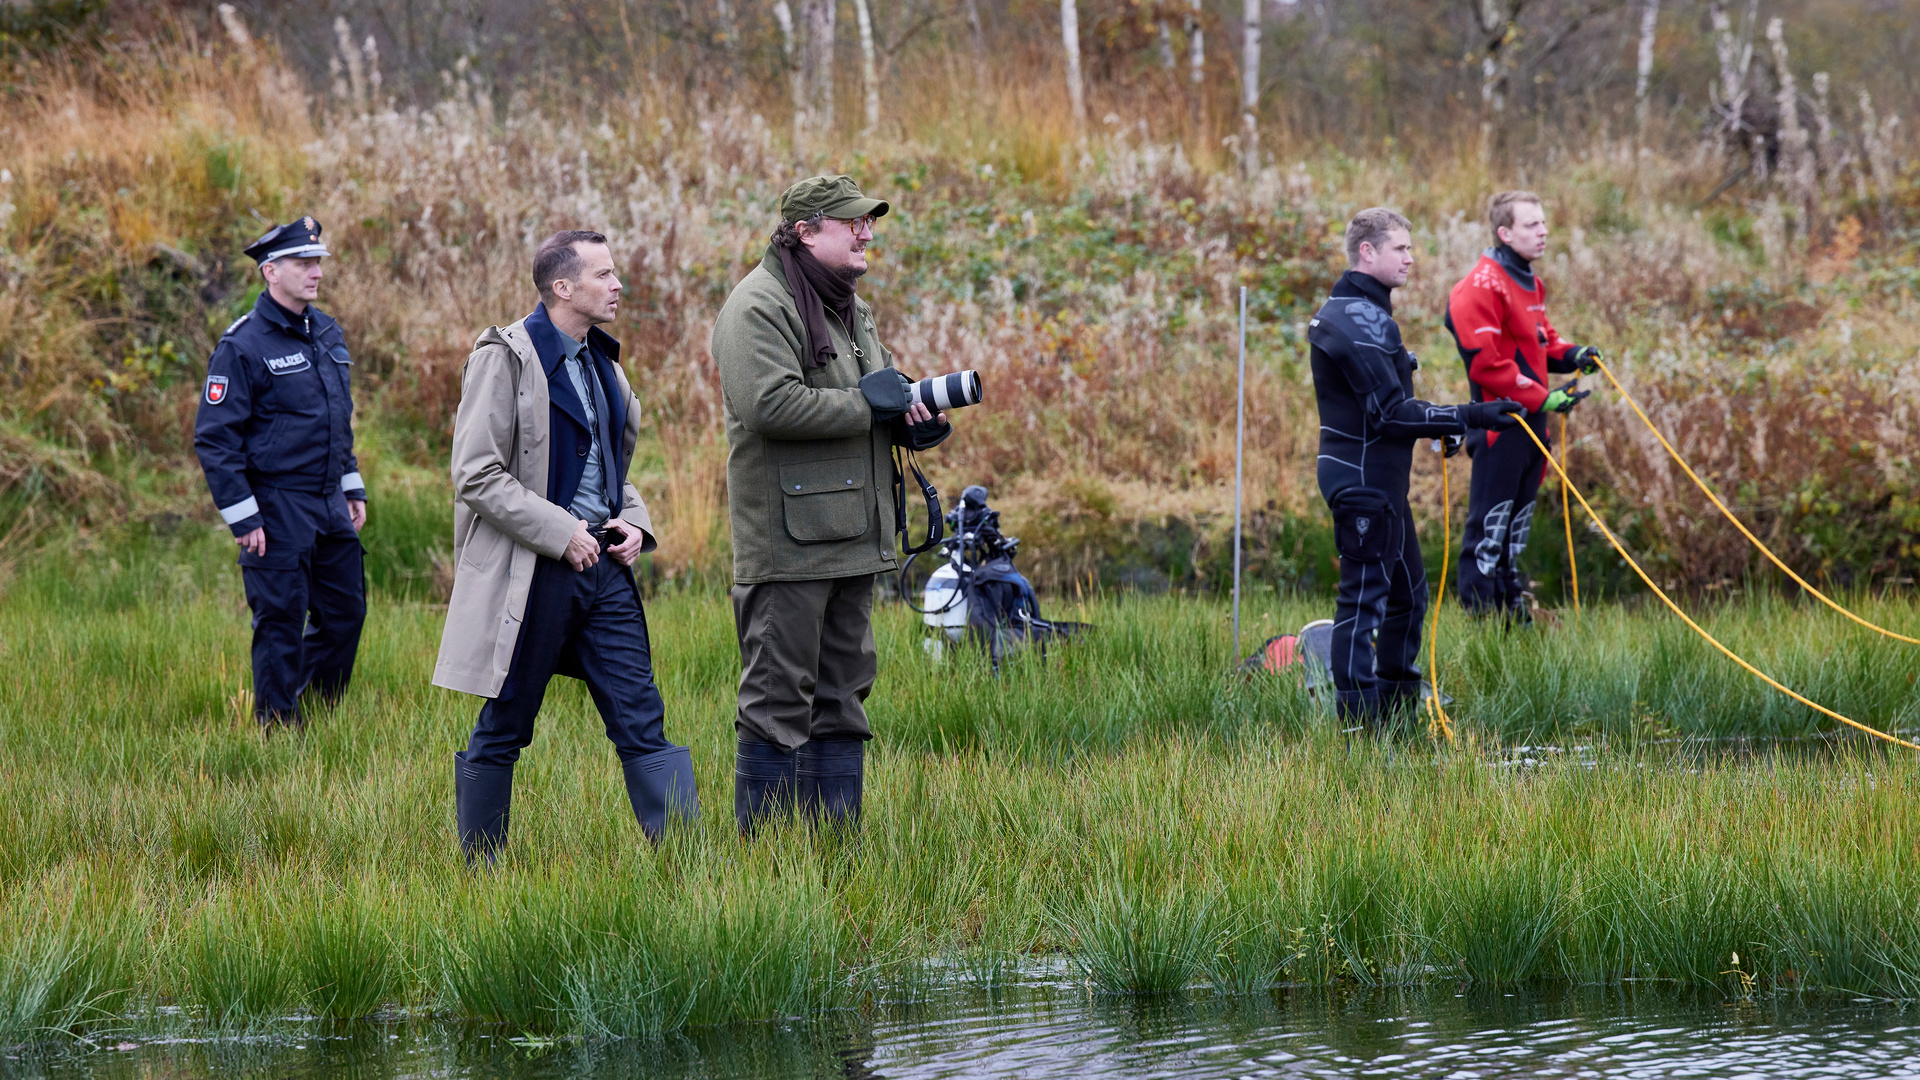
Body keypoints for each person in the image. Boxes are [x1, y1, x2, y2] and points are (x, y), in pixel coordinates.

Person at [432, 229, 697, 864]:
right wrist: (561, 532)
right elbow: (476, 474)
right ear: (563, 287)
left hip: (603, 571)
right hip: (533, 573)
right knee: (506, 725)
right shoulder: (504, 358)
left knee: (642, 718)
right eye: (603, 275)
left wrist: (633, 522)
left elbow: (607, 470)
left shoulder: (602, 363)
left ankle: (687, 867)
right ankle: (482, 873)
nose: (618, 285)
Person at [710, 175, 951, 836]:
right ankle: (769, 863)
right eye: (853, 222)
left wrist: (913, 418)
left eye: (868, 221)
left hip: (853, 534)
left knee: (843, 700)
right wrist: (871, 407)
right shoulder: (758, 306)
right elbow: (770, 405)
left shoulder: (848, 306)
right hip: (788, 545)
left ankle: (835, 853)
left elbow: (881, 388)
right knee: (777, 704)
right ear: (806, 231)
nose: (867, 232)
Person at [1310, 208, 1523, 728]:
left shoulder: (1366, 312)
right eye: (1400, 248)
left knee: (1408, 597)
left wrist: (1444, 425)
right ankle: (1360, 734)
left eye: (1409, 247)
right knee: (1363, 605)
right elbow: (1388, 414)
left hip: (1381, 484)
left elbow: (1389, 410)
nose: (1411, 258)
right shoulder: (1354, 319)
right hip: (1362, 483)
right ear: (1367, 252)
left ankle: (1399, 720)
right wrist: (1472, 415)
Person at [194, 216, 367, 730]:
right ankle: (277, 730)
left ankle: (316, 713)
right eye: (303, 263)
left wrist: (349, 483)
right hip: (275, 505)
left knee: (345, 615)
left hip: (329, 501)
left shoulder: (326, 331)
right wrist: (244, 517)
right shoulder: (242, 345)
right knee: (280, 621)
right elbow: (216, 438)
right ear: (271, 271)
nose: (316, 272)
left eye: (318, 262)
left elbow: (336, 415)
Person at [1444, 190, 1600, 620]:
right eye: (1532, 224)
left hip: (1535, 424)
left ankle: (1512, 611)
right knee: (1490, 526)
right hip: (1500, 425)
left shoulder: (1529, 280)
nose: (1544, 231)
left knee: (1517, 526)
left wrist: (1575, 355)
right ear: (1505, 233)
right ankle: (1481, 620)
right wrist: (1543, 397)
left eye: (1543, 223)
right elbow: (1485, 363)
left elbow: (1542, 341)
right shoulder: (1480, 286)